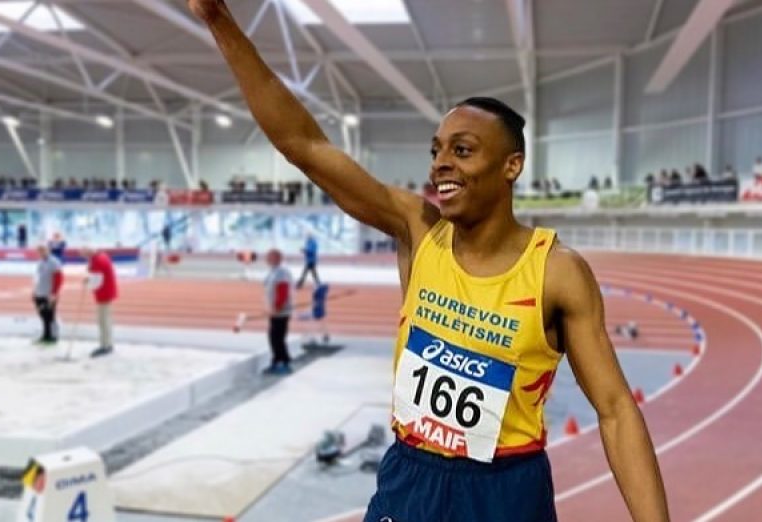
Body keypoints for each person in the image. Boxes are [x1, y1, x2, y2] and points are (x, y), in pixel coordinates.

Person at [187, 1, 669, 521]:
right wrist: (219, 20)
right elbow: (302, 143)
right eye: (436, 149)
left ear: (512, 166)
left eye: (462, 150)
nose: (441, 161)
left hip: (504, 490)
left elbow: (617, 410)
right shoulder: (418, 229)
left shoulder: (556, 271)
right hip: (411, 478)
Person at [82, 246, 118, 358]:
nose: (84, 257)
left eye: (84, 255)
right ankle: (108, 344)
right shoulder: (100, 257)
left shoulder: (98, 261)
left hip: (104, 293)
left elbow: (96, 281)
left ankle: (105, 346)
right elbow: (93, 272)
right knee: (106, 319)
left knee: (103, 320)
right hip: (106, 292)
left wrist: (87, 283)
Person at [263, 248, 293, 375]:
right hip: (274, 310)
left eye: (269, 257)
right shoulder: (273, 271)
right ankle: (280, 361)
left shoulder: (281, 272)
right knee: (275, 337)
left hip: (281, 312)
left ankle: (281, 363)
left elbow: (283, 291)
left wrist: (278, 307)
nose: (267, 259)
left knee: (276, 338)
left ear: (277, 258)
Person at [33, 244, 63, 345]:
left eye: (43, 250)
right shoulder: (40, 262)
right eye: (39, 250)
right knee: (43, 316)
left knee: (50, 316)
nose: (41, 252)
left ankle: (54, 336)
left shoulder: (54, 262)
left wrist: (54, 293)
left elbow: (59, 278)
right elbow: (37, 278)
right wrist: (34, 291)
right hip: (39, 293)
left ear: (48, 250)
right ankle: (45, 335)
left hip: (49, 294)